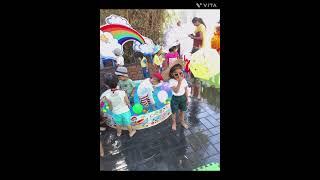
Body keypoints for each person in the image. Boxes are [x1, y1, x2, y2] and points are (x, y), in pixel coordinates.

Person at [169, 64, 189, 131]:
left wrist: (187, 99)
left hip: (183, 97)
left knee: (182, 111)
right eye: (176, 74)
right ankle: (174, 122)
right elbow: (176, 91)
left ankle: (182, 121)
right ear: (172, 75)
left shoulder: (184, 80)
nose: (179, 76)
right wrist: (179, 82)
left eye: (180, 73)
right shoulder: (171, 81)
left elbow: (186, 89)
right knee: (174, 112)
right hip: (175, 98)